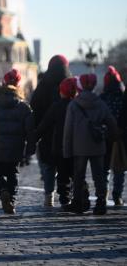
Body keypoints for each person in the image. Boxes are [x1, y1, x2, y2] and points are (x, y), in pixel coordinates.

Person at [0, 69, 35, 214]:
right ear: (18, 85)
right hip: (16, 150)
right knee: (13, 174)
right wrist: (29, 150)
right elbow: (30, 132)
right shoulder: (24, 107)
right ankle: (11, 199)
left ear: (4, 83)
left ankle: (2, 189)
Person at [63, 74, 118, 215]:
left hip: (79, 146)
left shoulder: (74, 104)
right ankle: (101, 203)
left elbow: (68, 130)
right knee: (99, 176)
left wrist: (67, 150)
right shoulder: (100, 103)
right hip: (97, 145)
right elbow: (111, 123)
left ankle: (78, 203)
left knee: (79, 175)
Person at [30, 55, 71, 206]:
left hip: (46, 132)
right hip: (67, 133)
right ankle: (67, 197)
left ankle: (49, 197)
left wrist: (34, 132)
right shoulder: (71, 83)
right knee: (67, 167)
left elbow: (33, 108)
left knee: (48, 166)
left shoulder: (43, 85)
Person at [35, 77, 78, 209]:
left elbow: (45, 124)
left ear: (62, 92)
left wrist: (34, 137)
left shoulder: (57, 106)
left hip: (59, 146)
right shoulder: (78, 106)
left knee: (61, 174)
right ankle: (74, 197)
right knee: (74, 173)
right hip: (76, 147)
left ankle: (62, 199)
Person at [99, 66, 125, 206]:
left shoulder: (102, 97)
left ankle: (103, 194)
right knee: (119, 167)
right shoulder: (123, 96)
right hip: (121, 136)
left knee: (105, 168)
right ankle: (118, 195)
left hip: (106, 135)